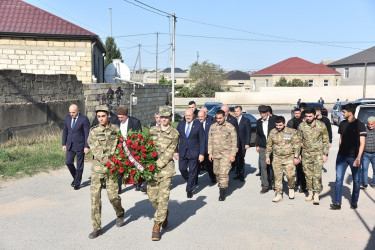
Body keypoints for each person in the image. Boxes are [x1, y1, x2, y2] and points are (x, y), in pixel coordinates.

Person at [87, 105, 125, 239]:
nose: (101, 119)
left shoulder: (116, 129)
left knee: (113, 196)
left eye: (103, 116)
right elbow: (96, 151)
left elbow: (121, 145)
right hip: (98, 169)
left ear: (108, 116)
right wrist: (109, 161)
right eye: (98, 117)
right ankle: (96, 228)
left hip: (113, 169)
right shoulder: (93, 131)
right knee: (95, 199)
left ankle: (120, 213)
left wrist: (120, 159)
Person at [148, 106, 179, 241]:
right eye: (162, 117)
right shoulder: (152, 130)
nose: (164, 119)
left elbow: (169, 153)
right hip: (151, 169)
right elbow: (147, 147)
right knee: (152, 196)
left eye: (166, 117)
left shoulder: (174, 133)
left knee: (163, 198)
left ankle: (157, 225)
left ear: (170, 118)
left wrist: (157, 165)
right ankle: (164, 213)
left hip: (166, 169)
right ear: (159, 117)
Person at [331, 104, 367, 210]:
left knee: (356, 180)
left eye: (344, 112)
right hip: (341, 157)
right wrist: (339, 152)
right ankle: (337, 203)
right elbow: (341, 139)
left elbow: (362, 143)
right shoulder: (342, 124)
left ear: (350, 113)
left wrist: (358, 158)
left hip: (354, 158)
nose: (342, 114)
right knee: (338, 179)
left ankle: (354, 201)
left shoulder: (360, 125)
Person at [297, 108, 329, 205]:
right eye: (306, 116)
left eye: (310, 116)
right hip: (306, 154)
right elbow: (298, 141)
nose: (308, 118)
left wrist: (325, 154)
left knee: (317, 175)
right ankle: (310, 193)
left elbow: (326, 140)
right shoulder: (302, 126)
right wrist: (298, 154)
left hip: (318, 154)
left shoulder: (321, 125)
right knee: (308, 174)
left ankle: (316, 195)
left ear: (315, 115)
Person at [266, 116, 300, 202]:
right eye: (277, 125)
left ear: (284, 124)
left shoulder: (291, 132)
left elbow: (296, 145)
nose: (278, 127)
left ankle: (291, 188)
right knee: (277, 177)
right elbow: (269, 145)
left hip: (289, 158)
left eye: (280, 125)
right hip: (277, 158)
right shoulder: (272, 132)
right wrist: (267, 156)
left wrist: (296, 157)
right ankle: (278, 194)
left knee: (290, 176)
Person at [175, 109, 205, 198]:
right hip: (183, 151)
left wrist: (201, 153)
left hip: (194, 152)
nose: (188, 117)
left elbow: (202, 140)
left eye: (189, 115)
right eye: (186, 115)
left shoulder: (198, 125)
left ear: (193, 116)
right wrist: (176, 151)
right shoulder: (180, 125)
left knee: (192, 171)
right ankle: (190, 181)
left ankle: (189, 189)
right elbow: (176, 139)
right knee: (182, 168)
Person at [208, 110, 237, 201]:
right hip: (216, 153)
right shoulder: (212, 127)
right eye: (217, 118)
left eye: (220, 118)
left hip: (226, 154)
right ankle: (221, 183)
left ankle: (222, 192)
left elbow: (234, 142)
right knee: (216, 172)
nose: (218, 120)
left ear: (224, 117)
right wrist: (210, 152)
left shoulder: (230, 127)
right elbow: (210, 141)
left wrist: (233, 155)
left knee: (223, 173)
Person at [62, 104, 90, 190]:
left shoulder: (84, 119)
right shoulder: (67, 118)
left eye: (73, 112)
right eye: (70, 112)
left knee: (79, 165)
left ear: (78, 111)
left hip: (80, 145)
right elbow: (65, 132)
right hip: (70, 145)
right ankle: (76, 177)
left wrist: (86, 146)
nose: (71, 114)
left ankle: (77, 183)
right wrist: (63, 144)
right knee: (68, 162)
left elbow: (87, 134)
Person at [116, 107, 142, 193]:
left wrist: (133, 146)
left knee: (134, 165)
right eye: (119, 117)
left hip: (132, 146)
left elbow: (139, 135)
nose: (120, 119)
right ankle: (118, 186)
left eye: (122, 117)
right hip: (120, 147)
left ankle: (137, 183)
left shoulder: (135, 122)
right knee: (119, 166)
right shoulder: (115, 122)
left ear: (127, 115)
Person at [256, 105, 276, 194]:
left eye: (263, 113)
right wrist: (257, 145)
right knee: (263, 166)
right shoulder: (258, 122)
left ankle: (275, 184)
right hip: (263, 147)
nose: (262, 115)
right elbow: (258, 134)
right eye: (261, 113)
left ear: (267, 112)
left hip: (273, 148)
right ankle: (265, 186)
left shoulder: (273, 120)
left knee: (274, 166)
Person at [287, 108, 306, 193]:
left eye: (298, 113)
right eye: (295, 113)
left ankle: (303, 185)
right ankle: (298, 182)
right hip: (294, 149)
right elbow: (287, 135)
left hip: (304, 149)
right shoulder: (290, 122)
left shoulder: (304, 123)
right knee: (296, 168)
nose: (297, 114)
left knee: (303, 169)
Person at [197, 110, 216, 184]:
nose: (200, 118)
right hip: (198, 149)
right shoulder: (195, 124)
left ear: (205, 116)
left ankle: (212, 177)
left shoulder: (211, 124)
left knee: (209, 165)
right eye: (199, 117)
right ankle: (194, 180)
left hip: (208, 148)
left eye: (201, 116)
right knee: (196, 166)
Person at [219, 105, 240, 171]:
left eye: (225, 111)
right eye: (222, 111)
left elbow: (236, 133)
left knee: (225, 165)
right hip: (218, 145)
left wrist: (237, 146)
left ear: (228, 112)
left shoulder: (233, 120)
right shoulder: (216, 119)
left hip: (228, 146)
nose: (223, 113)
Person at [233, 106, 251, 182]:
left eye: (237, 111)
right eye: (235, 111)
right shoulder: (233, 120)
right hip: (234, 143)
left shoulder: (246, 120)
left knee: (241, 159)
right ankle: (237, 173)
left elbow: (248, 133)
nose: (236, 112)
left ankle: (241, 174)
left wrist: (247, 143)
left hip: (243, 143)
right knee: (236, 159)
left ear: (241, 111)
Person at [360, 116, 375, 189]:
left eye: (372, 124)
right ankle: (364, 184)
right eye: (369, 124)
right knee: (364, 169)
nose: (370, 126)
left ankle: (374, 183)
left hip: (374, 154)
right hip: (365, 154)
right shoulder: (365, 129)